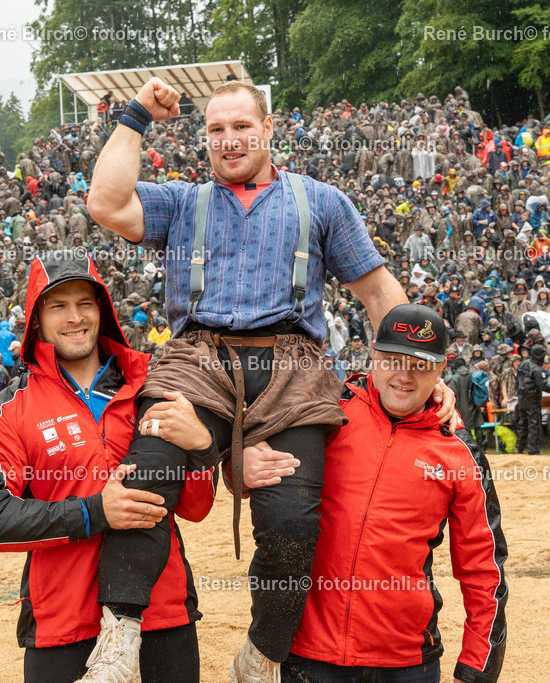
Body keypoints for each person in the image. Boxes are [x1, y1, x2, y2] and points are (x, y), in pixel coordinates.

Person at [84, 77, 456, 680]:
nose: (229, 140)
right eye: (216, 129)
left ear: (269, 128)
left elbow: (375, 291)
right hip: (197, 358)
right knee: (147, 474)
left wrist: (418, 364)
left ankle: (262, 653)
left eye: (241, 126)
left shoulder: (322, 202)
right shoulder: (181, 203)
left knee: (292, 522)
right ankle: (119, 635)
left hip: (295, 368)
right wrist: (137, 115)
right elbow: (104, 202)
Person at [0, 251, 217, 683]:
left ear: (103, 310)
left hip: (163, 613)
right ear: (36, 319)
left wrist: (203, 447)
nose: (74, 317)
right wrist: (94, 512)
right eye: (58, 306)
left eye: (85, 303)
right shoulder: (8, 410)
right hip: (62, 624)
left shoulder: (152, 386)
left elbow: (196, 508)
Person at [243, 304, 507, 683]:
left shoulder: (460, 452)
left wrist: (477, 671)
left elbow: (484, 569)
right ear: (373, 354)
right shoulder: (327, 412)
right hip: (308, 655)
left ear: (441, 369)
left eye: (420, 365)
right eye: (393, 360)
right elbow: (251, 452)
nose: (404, 375)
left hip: (407, 663)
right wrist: (238, 464)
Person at [514, 344, 546, 454]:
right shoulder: (537, 368)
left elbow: (517, 381)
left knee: (522, 423)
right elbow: (544, 385)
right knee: (534, 424)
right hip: (532, 399)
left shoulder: (522, 364)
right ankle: (533, 449)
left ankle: (519, 447)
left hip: (522, 398)